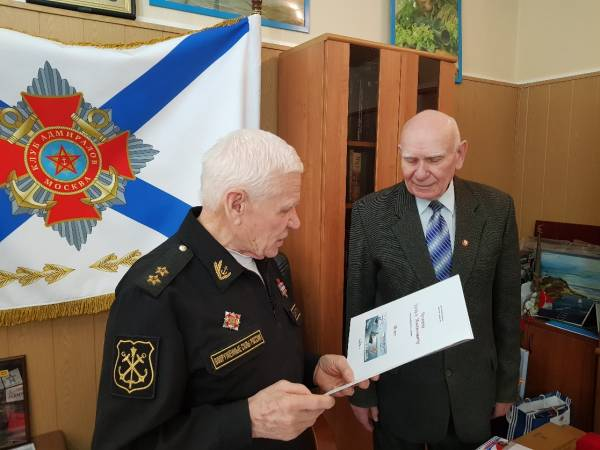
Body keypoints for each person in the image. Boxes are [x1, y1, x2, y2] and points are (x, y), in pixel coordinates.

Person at [92, 129, 367, 450]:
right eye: (284, 209)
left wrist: (313, 368)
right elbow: (127, 444)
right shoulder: (155, 296)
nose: (295, 222)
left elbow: (254, 362)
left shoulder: (267, 258)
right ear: (237, 204)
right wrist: (248, 421)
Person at [345, 110, 520, 449]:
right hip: (400, 395)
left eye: (434, 160)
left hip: (472, 395)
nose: (420, 172)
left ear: (460, 154)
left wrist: (506, 387)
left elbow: (507, 308)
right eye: (410, 160)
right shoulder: (372, 213)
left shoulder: (496, 209)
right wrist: (362, 393)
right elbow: (360, 309)